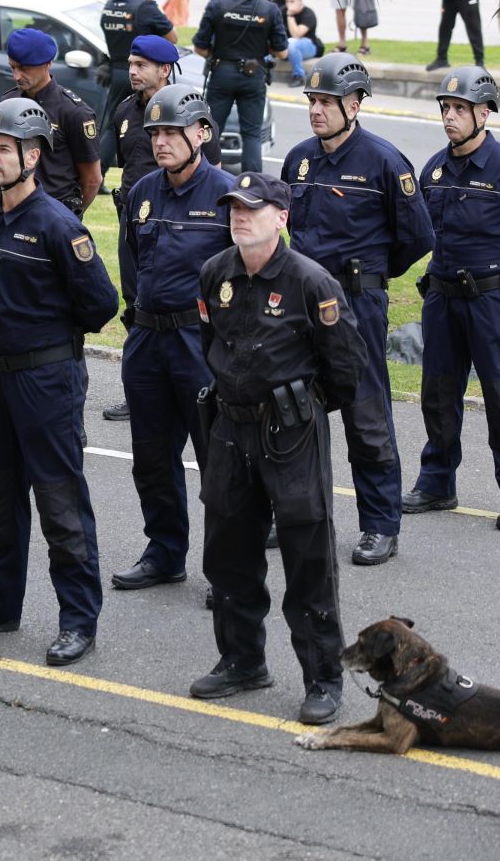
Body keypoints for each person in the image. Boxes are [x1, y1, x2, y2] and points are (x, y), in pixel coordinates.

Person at [0, 96, 118, 666]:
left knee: (60, 503)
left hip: (47, 382)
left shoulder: (60, 226)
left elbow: (101, 305)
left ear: (33, 157)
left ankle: (78, 619)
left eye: (3, 150)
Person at [191, 173, 362, 725]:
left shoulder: (311, 282)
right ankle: (242, 660)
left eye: (253, 208)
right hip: (229, 428)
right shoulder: (216, 272)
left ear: (281, 218)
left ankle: (323, 677)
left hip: (290, 433)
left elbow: (345, 370)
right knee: (227, 550)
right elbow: (210, 344)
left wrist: (301, 409)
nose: (240, 216)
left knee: (307, 554)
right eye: (234, 208)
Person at [280, 54, 433, 566]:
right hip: (304, 304)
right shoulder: (299, 160)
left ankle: (379, 525)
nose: (316, 111)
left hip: (358, 304)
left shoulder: (385, 162)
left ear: (354, 103)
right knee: (294, 411)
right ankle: (297, 516)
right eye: (312, 101)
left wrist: (369, 276)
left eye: (325, 102)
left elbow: (417, 238)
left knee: (366, 415)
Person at [407, 66, 500, 529]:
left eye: (460, 109)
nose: (450, 117)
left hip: (491, 301)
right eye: (446, 109)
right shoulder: (434, 168)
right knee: (437, 394)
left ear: (484, 113)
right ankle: (436, 482)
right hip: (442, 298)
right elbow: (419, 232)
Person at [113, 83, 234, 592]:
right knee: (152, 457)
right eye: (155, 132)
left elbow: (256, 274)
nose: (160, 142)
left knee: (218, 462)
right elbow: (130, 261)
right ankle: (164, 551)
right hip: (148, 339)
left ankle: (227, 567)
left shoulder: (229, 194)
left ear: (201, 134)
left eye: (172, 132)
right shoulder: (143, 193)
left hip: (200, 341)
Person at [193, 0, 287, 174]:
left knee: (211, 130)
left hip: (222, 73)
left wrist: (219, 54)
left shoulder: (217, 6)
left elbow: (200, 46)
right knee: (252, 134)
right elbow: (282, 51)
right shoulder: (269, 9)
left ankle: (203, 178)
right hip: (254, 76)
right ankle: (251, 186)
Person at [0, 28, 100, 217]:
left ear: (47, 64)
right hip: (11, 210)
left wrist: (68, 218)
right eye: (13, 68)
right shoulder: (7, 104)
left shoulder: (73, 112)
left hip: (55, 212)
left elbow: (92, 179)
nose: (16, 76)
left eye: (24, 69)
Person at [99, 0, 177, 121]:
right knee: (148, 123)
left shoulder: (109, 5)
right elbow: (172, 37)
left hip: (117, 75)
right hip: (143, 75)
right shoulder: (145, 7)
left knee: (114, 126)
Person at [281, 0, 324, 84]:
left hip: (309, 46)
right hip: (288, 45)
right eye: (287, 1)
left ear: (300, 1)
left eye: (292, 1)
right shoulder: (282, 11)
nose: (289, 5)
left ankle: (299, 76)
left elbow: (296, 35)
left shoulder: (308, 13)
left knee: (292, 43)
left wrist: (290, 15)